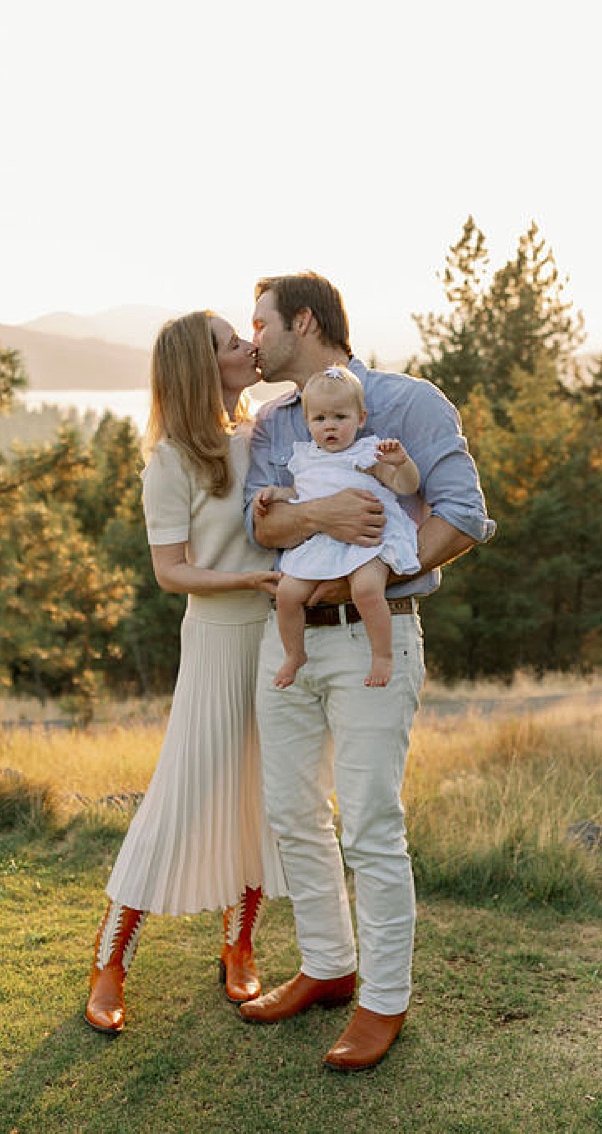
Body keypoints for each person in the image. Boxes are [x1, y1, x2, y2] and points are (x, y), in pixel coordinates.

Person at [238, 272, 494, 1071]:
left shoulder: (410, 402)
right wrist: (319, 517)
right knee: (291, 811)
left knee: (372, 825)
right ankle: (326, 964)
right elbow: (265, 525)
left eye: (261, 324)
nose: (252, 342)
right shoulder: (276, 421)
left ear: (304, 322)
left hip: (369, 639)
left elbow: (462, 513)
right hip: (287, 643)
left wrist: (369, 572)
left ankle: (382, 1001)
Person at [83, 310, 287, 1036]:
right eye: (233, 344)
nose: (248, 348)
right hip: (217, 639)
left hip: (279, 638)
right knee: (181, 797)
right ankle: (110, 965)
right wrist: (249, 584)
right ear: (203, 367)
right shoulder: (170, 460)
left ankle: (239, 946)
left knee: (268, 796)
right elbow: (171, 573)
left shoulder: (268, 427)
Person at [256, 366, 419, 689]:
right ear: (308, 422)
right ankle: (295, 653)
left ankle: (383, 655)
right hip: (322, 541)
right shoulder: (304, 458)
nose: (330, 426)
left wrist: (402, 463)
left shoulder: (367, 453)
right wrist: (276, 494)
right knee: (288, 594)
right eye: (320, 419)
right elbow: (302, 493)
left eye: (340, 417)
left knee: (366, 590)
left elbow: (405, 487)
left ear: (360, 418)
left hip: (366, 540)